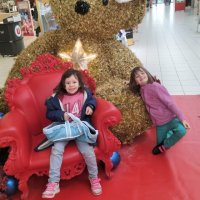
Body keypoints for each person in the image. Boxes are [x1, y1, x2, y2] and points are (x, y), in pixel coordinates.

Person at [42, 68, 102, 198]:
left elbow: (93, 100)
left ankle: (94, 178)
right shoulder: (57, 97)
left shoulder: (85, 93)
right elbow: (49, 113)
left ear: (79, 83)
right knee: (57, 150)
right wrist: (61, 115)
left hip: (80, 127)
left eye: (74, 82)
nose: (71, 85)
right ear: (63, 84)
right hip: (64, 128)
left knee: (88, 152)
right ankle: (53, 183)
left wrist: (90, 107)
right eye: (68, 82)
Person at [129, 66, 190, 155]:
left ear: (147, 73)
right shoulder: (142, 88)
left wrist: (182, 119)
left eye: (142, 73)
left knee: (182, 131)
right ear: (135, 82)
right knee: (159, 143)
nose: (141, 76)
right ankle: (169, 133)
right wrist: (128, 83)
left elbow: (170, 103)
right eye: (137, 76)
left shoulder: (156, 87)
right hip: (160, 123)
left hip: (170, 118)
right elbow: (134, 85)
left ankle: (166, 145)